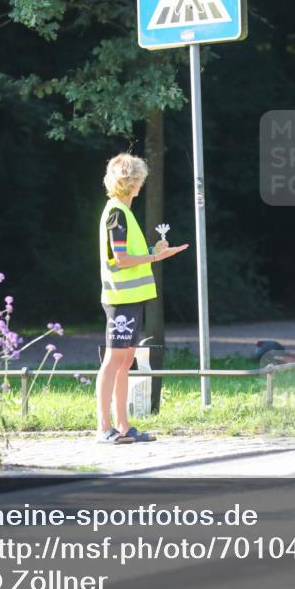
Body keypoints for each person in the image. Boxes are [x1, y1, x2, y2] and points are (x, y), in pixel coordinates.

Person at [96, 153, 188, 444]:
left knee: (125, 362)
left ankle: (123, 426)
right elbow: (121, 259)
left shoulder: (123, 212)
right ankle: (104, 428)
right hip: (121, 298)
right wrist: (153, 256)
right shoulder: (117, 213)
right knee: (113, 361)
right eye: (140, 179)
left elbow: (125, 255)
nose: (142, 184)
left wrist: (153, 252)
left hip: (131, 297)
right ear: (132, 181)